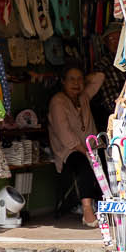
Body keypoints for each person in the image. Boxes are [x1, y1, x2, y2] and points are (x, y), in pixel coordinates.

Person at [48, 67, 101, 227]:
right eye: (71, 79)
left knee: (110, 160)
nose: (76, 83)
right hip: (68, 151)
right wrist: (87, 153)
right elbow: (66, 134)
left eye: (79, 79)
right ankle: (87, 210)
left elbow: (100, 77)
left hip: (91, 148)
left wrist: (86, 77)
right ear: (63, 81)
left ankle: (103, 204)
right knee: (82, 163)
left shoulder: (83, 97)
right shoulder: (58, 101)